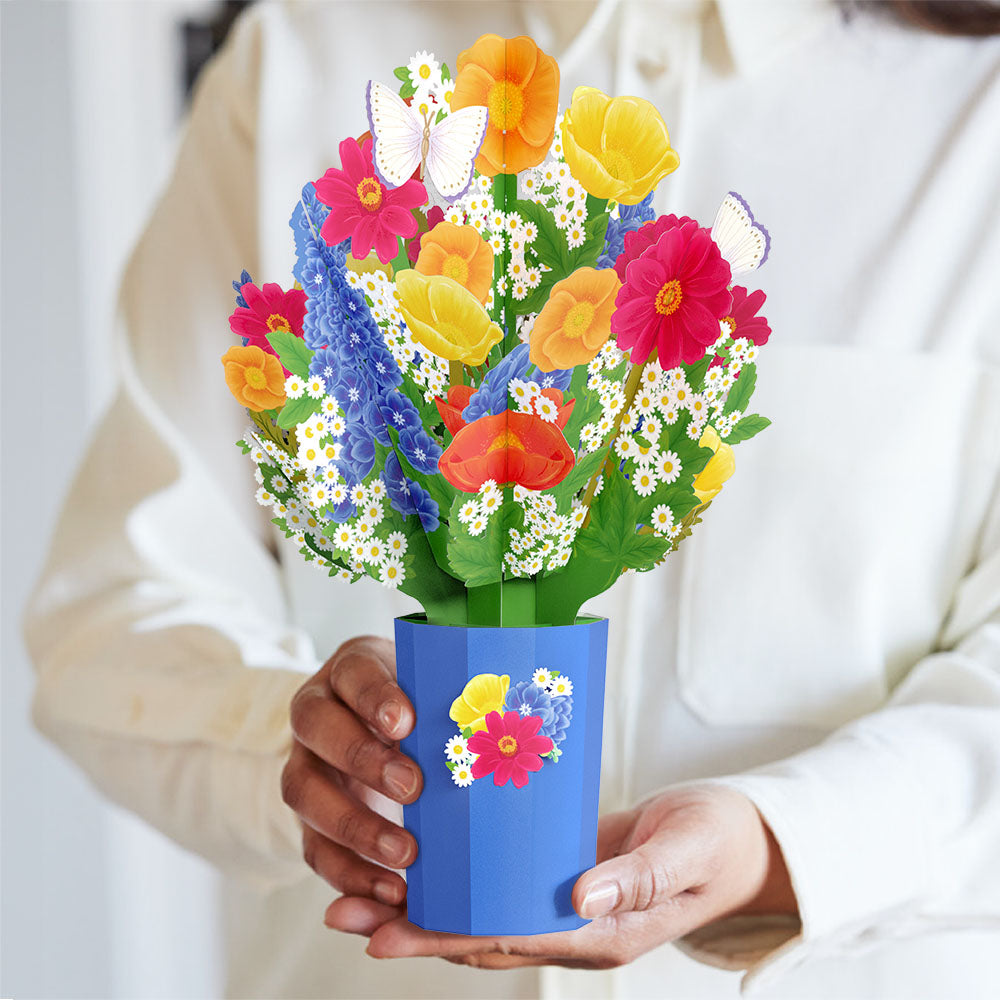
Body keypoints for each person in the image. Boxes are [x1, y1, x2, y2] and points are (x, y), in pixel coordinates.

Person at [25, 1, 1000, 997]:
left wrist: (780, 843)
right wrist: (307, 754)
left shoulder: (977, 113)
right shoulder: (303, 55)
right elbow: (115, 613)